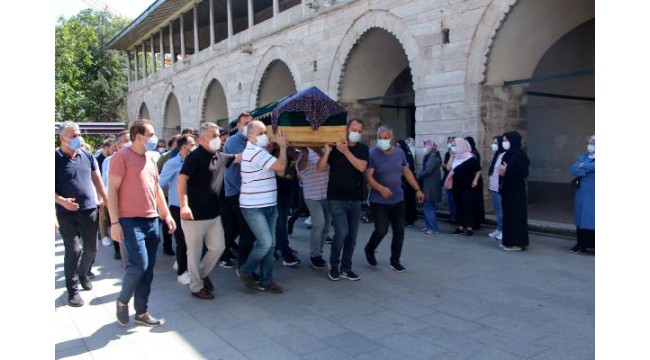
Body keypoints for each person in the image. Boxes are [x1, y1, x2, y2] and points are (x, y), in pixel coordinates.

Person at [109, 119, 176, 326]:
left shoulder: (150, 159)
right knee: (139, 265)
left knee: (148, 269)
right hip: (129, 220)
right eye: (151, 134)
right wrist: (114, 223)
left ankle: (141, 311)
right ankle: (122, 301)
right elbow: (112, 190)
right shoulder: (120, 157)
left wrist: (166, 215)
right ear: (138, 136)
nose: (154, 138)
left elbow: (156, 191)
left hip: (151, 219)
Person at [177, 122, 236, 300]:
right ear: (202, 139)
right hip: (194, 216)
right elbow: (181, 180)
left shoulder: (219, 156)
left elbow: (239, 157)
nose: (218, 139)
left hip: (213, 214)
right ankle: (196, 287)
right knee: (194, 254)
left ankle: (200, 275)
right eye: (214, 136)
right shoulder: (194, 157)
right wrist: (184, 205)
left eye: (218, 135)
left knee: (218, 248)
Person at [55, 121, 109, 307]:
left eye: (78, 134)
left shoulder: (86, 155)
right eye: (73, 136)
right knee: (74, 250)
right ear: (62, 138)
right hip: (66, 213)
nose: (78, 138)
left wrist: (104, 197)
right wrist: (61, 201)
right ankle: (73, 290)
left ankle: (84, 273)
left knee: (92, 248)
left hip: (89, 210)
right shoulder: (53, 158)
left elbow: (97, 177)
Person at [236, 120, 288, 293]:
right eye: (260, 133)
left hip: (269, 204)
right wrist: (283, 147)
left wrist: (278, 151)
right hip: (254, 207)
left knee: (270, 245)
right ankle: (245, 270)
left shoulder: (260, 152)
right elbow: (281, 166)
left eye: (265, 132)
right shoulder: (253, 152)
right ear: (250, 136)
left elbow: (280, 171)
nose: (264, 136)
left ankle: (266, 280)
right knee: (265, 243)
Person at [364, 126, 424, 272]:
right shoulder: (372, 154)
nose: (383, 141)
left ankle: (395, 260)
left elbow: (406, 171)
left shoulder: (399, 152)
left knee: (399, 231)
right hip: (379, 201)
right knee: (381, 230)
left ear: (390, 137)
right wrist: (381, 188)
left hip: (398, 199)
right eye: (380, 138)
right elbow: (368, 177)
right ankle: (369, 249)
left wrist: (417, 189)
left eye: (386, 138)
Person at [317, 118, 369, 281]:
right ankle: (334, 265)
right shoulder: (335, 147)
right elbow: (320, 168)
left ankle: (346, 267)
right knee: (341, 232)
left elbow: (361, 167)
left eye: (359, 131)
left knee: (352, 235)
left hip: (355, 199)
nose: (356, 133)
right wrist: (327, 151)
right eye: (354, 130)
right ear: (347, 130)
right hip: (336, 198)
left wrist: (346, 151)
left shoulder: (362, 149)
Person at [159, 134, 196, 285]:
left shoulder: (196, 161)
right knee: (182, 241)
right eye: (192, 144)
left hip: (194, 206)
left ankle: (182, 263)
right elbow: (160, 183)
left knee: (192, 240)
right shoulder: (172, 163)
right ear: (183, 147)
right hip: (177, 206)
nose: (195, 146)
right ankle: (182, 272)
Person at [223, 112, 256, 266]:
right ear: (238, 126)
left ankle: (223, 254)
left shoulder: (252, 141)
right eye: (246, 124)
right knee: (247, 229)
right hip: (237, 192)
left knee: (235, 227)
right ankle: (244, 266)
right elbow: (246, 158)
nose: (249, 126)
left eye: (251, 123)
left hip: (247, 192)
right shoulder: (233, 141)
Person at [296, 146, 331, 270]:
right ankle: (314, 255)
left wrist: (323, 152)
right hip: (311, 194)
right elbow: (300, 170)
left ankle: (319, 253)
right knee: (319, 224)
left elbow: (328, 167)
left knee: (326, 226)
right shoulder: (304, 151)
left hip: (327, 195)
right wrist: (305, 154)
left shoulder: (326, 150)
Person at [498, 131, 530, 251]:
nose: (505, 143)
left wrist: (507, 170)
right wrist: (503, 172)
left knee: (516, 216)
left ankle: (517, 243)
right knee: (508, 216)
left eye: (507, 140)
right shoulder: (508, 154)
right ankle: (508, 241)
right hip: (507, 188)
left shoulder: (520, 155)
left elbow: (523, 172)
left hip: (516, 190)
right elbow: (502, 168)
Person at [272, 144, 301, 267]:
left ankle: (281, 247)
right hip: (277, 193)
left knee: (282, 222)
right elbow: (281, 171)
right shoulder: (275, 153)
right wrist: (284, 150)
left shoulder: (293, 152)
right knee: (280, 224)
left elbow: (294, 170)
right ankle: (285, 254)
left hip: (287, 192)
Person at [447, 137, 482, 237]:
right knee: (458, 206)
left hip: (467, 186)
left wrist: (475, 180)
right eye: (452, 145)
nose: (453, 147)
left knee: (467, 206)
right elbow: (448, 167)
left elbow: (478, 169)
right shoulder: (455, 157)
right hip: (456, 186)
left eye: (455, 145)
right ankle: (461, 226)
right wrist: (451, 156)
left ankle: (469, 227)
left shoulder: (470, 157)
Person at [569, 135, 595, 253]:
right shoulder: (583, 157)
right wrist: (587, 169)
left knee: (593, 218)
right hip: (582, 192)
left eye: (593, 142)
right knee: (580, 218)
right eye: (589, 142)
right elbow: (573, 169)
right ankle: (581, 244)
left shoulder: (584, 161)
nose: (590, 145)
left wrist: (584, 166)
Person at [157, 134, 182, 257]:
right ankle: (167, 245)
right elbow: (158, 176)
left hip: (178, 195)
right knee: (167, 220)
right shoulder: (165, 157)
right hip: (166, 194)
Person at [417, 140, 442, 235]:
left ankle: (432, 228)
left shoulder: (432, 158)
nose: (424, 148)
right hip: (429, 185)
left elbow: (427, 170)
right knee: (427, 206)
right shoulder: (431, 157)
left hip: (430, 186)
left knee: (429, 207)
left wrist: (419, 175)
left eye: (426, 146)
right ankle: (429, 226)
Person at [487, 136, 506, 241]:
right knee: (497, 210)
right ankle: (499, 229)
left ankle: (504, 230)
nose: (493, 145)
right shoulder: (495, 155)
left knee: (501, 210)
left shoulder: (504, 155)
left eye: (496, 143)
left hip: (499, 187)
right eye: (493, 143)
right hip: (493, 186)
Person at [396, 139, 418, 226]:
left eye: (399, 146)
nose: (398, 148)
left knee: (408, 201)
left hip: (407, 182)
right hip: (400, 181)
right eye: (396, 146)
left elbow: (410, 168)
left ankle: (409, 218)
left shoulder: (407, 155)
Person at [465, 136, 485, 229]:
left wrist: (475, 180)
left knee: (475, 202)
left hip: (474, 181)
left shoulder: (473, 153)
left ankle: (475, 223)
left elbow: (477, 169)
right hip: (470, 180)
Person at [442, 137, 457, 223]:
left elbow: (448, 166)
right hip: (447, 178)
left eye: (451, 142)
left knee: (454, 200)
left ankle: (455, 217)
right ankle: (452, 216)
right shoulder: (447, 154)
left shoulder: (455, 154)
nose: (449, 144)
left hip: (453, 179)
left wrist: (445, 165)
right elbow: (445, 166)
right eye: (448, 142)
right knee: (450, 200)